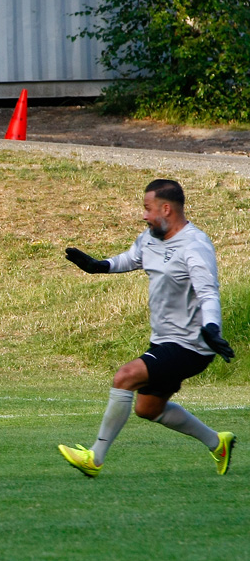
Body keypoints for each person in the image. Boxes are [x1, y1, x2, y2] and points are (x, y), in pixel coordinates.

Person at [58, 179, 235, 477]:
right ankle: (218, 443)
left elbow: (208, 292)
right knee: (148, 409)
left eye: (147, 208)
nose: (144, 215)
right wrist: (98, 265)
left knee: (125, 377)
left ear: (166, 208)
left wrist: (212, 328)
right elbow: (132, 258)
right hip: (164, 341)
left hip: (192, 345)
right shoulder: (151, 238)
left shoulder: (195, 245)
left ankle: (94, 459)